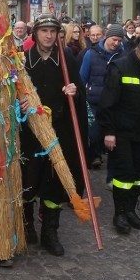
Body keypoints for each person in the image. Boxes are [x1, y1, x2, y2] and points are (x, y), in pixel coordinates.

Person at [20, 14, 87, 256]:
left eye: (53, 31)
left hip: (60, 131)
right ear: (35, 33)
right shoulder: (23, 60)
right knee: (27, 179)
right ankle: (27, 225)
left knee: (54, 181)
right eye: (44, 30)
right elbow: (9, 96)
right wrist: (20, 105)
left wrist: (74, 92)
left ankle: (50, 231)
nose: (49, 35)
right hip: (30, 132)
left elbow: (79, 94)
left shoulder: (66, 59)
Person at [98, 35, 140, 234]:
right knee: (123, 173)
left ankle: (130, 210)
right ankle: (119, 213)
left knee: (137, 174)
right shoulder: (119, 67)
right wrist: (108, 132)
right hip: (120, 132)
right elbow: (106, 103)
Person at [80, 24, 127, 169]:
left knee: (113, 136)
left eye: (119, 41)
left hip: (115, 104)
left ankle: (111, 167)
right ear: (106, 37)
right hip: (94, 101)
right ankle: (94, 156)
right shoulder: (91, 54)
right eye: (114, 39)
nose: (116, 43)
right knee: (93, 134)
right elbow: (82, 77)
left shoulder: (124, 55)